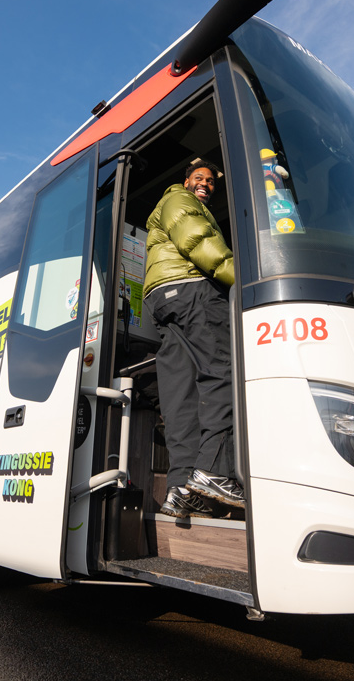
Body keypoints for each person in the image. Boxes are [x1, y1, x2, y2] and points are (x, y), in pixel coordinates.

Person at [143, 160, 242, 518]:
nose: (206, 184)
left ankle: (183, 486)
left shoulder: (176, 204)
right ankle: (215, 470)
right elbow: (197, 241)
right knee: (225, 373)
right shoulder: (179, 201)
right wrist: (245, 279)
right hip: (192, 290)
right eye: (199, 178)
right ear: (185, 181)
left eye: (211, 181)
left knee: (181, 395)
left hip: (165, 299)